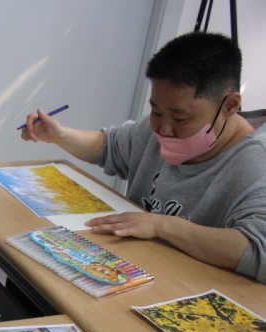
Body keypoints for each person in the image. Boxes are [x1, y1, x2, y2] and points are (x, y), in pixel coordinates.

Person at [20, 32, 266, 283]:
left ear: (230, 106)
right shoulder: (155, 129)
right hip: (128, 273)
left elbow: (258, 253)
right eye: (156, 112)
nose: (164, 129)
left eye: (180, 119)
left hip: (186, 288)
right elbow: (109, 146)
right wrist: (60, 135)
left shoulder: (256, 164)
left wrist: (162, 226)